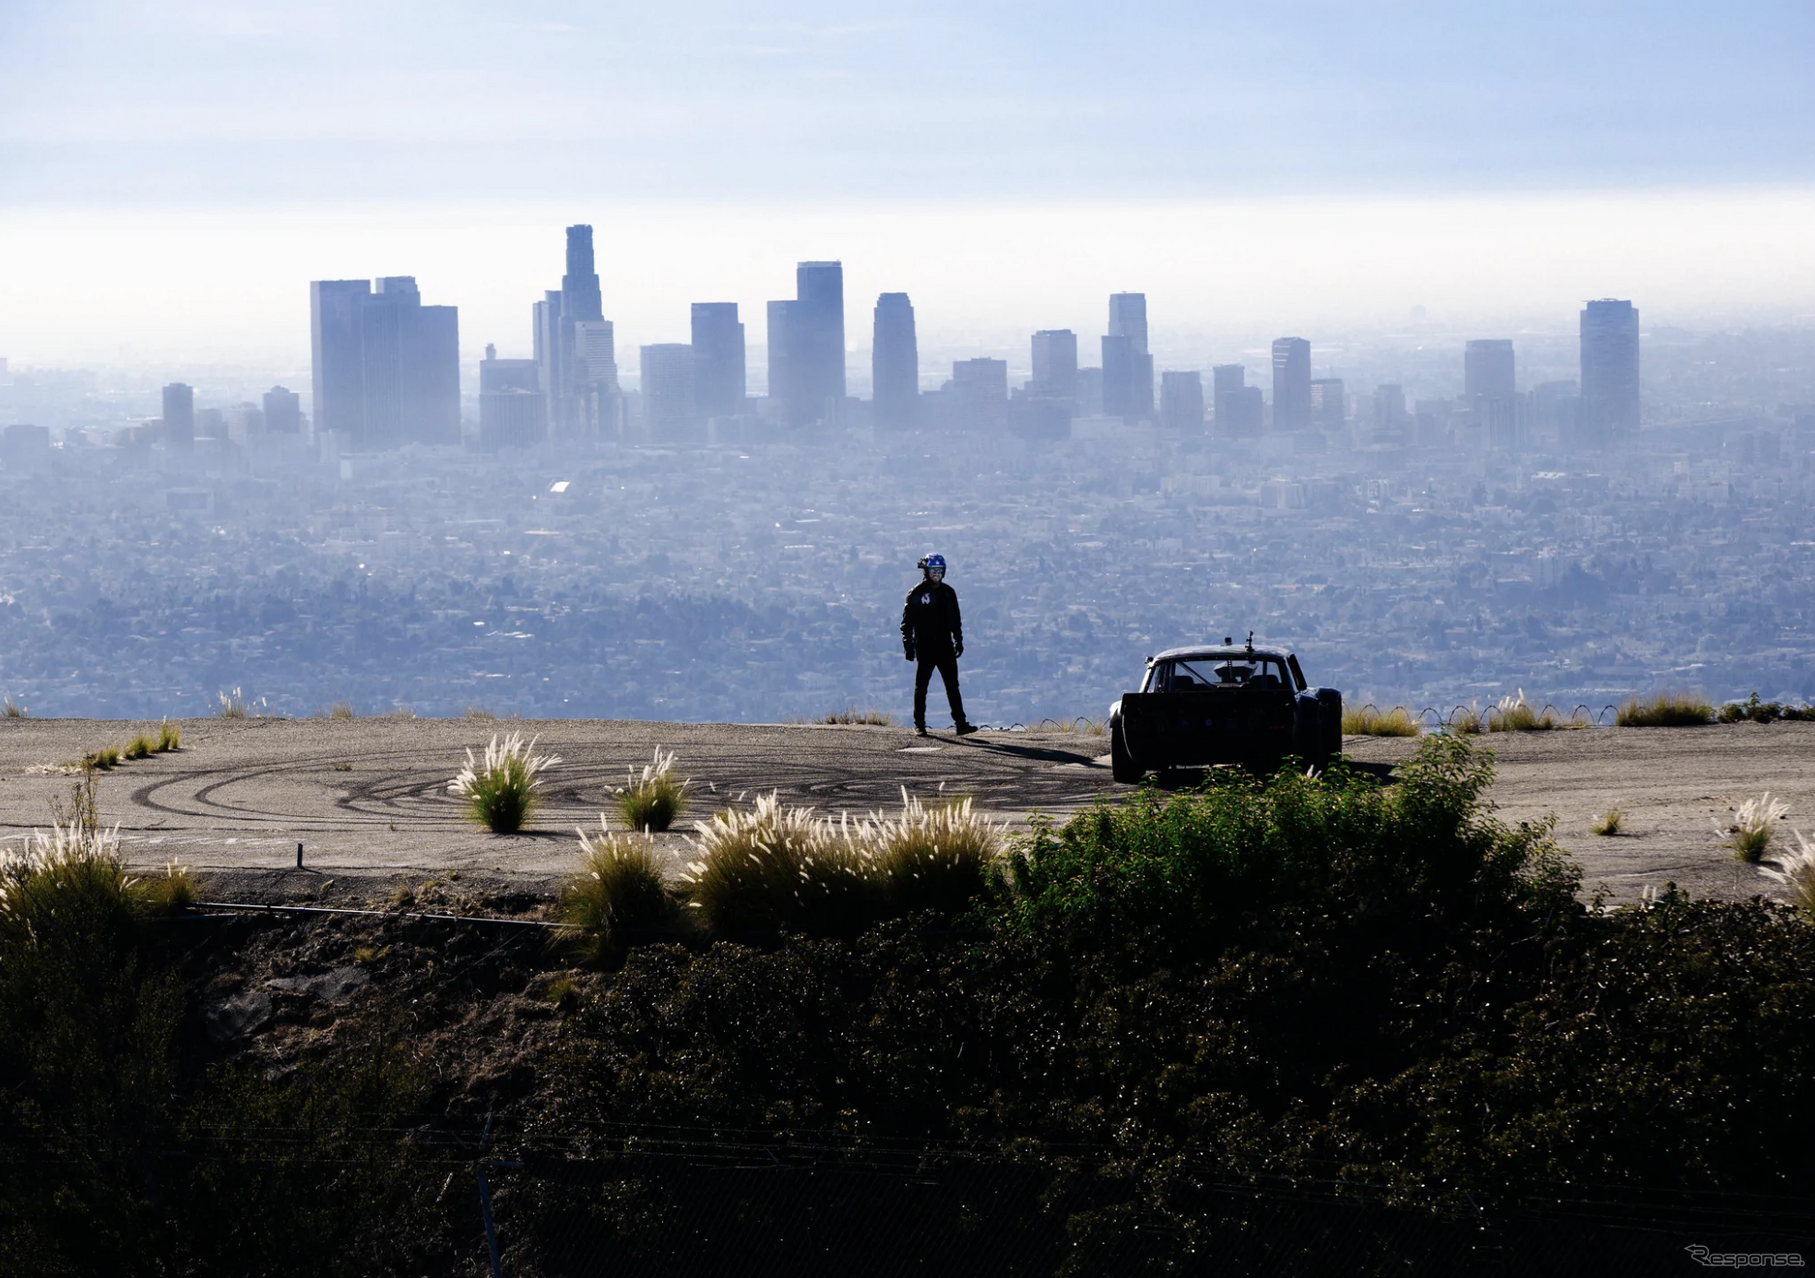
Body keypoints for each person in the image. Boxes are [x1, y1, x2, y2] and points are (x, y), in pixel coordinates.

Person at [900, 553, 977, 737]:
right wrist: (908, 645)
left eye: (940, 570)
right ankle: (919, 725)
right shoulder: (916, 593)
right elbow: (907, 623)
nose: (937, 574)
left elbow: (956, 619)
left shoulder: (949, 593)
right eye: (933, 570)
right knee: (921, 688)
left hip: (945, 647)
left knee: (952, 686)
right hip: (925, 648)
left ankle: (961, 724)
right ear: (926, 571)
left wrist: (958, 640)